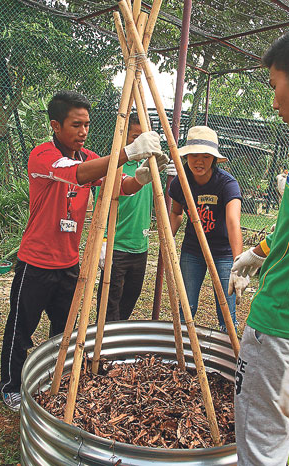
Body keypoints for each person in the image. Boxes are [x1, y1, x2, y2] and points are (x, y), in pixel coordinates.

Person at [0, 90, 168, 411]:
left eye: (87, 125)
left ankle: (51, 379)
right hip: (35, 263)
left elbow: (119, 186)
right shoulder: (43, 156)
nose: (83, 131)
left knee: (64, 332)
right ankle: (10, 386)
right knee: (21, 328)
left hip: (69, 264)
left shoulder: (89, 157)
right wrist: (127, 152)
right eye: (76, 124)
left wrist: (143, 176)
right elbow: (77, 175)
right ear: (55, 125)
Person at [228, 32, 289, 466]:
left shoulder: (226, 183)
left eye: (274, 85)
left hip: (279, 323)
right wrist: (260, 251)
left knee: (261, 442)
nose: (272, 102)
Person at [168, 126, 242, 332]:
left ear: (214, 159)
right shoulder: (180, 182)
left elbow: (233, 222)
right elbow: (176, 213)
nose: (198, 162)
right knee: (186, 306)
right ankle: (182, 347)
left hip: (223, 253)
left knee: (226, 310)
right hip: (192, 250)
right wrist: (168, 239)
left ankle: (230, 347)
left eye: (205, 156)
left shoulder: (227, 184)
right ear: (186, 156)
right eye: (194, 155)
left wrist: (239, 263)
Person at [96, 113, 153, 322]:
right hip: (116, 247)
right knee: (109, 304)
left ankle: (117, 336)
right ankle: (103, 345)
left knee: (130, 298)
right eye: (134, 136)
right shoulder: (114, 166)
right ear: (123, 137)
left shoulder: (150, 166)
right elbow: (100, 206)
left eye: (143, 137)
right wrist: (102, 241)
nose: (139, 142)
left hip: (141, 247)